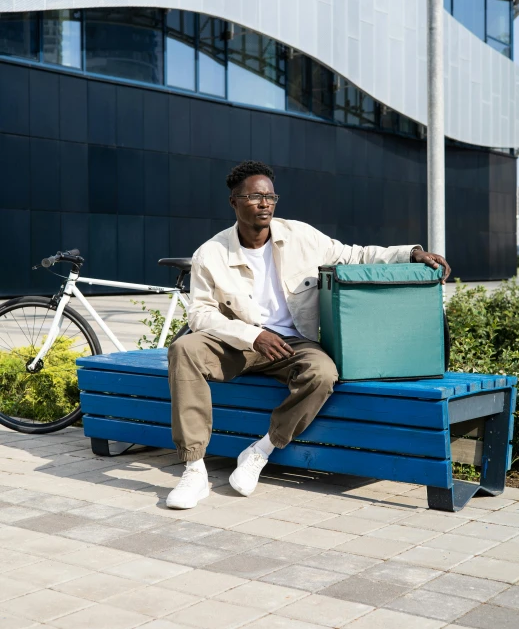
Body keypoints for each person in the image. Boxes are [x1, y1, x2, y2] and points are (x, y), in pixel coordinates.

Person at [166, 160, 451, 509]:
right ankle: (194, 469)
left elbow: (354, 254)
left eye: (270, 197)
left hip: (292, 343)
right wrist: (252, 335)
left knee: (323, 373)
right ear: (234, 202)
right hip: (238, 343)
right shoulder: (211, 253)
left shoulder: (300, 236)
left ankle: (260, 451)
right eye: (254, 196)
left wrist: (410, 253)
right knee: (184, 349)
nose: (264, 203)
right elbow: (200, 313)